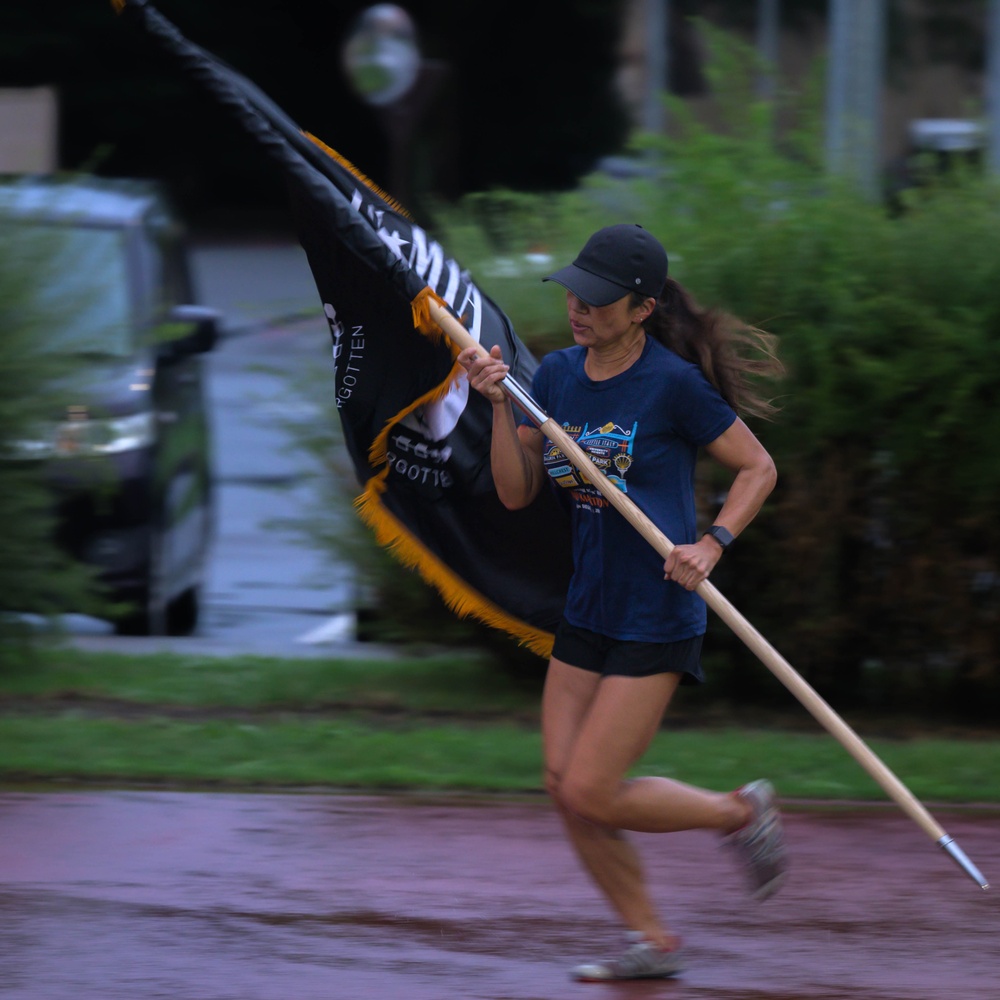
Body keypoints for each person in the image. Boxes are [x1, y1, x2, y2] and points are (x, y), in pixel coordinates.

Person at [457, 223, 787, 982]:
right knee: (562, 788)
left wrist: (712, 544)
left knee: (591, 788)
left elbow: (758, 468)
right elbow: (516, 492)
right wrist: (502, 405)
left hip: (656, 615)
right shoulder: (560, 377)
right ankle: (651, 940)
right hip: (589, 609)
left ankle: (740, 812)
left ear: (641, 308)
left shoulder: (673, 385)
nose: (579, 308)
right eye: (575, 291)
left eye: (599, 301)